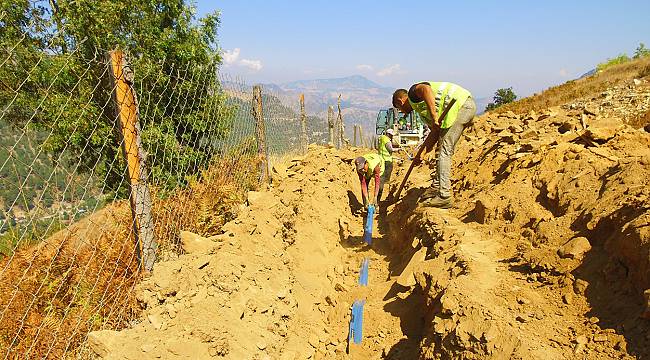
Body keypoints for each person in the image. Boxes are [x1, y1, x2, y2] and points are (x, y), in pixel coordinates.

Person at [392, 82, 476, 208]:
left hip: (461, 105)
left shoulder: (413, 94)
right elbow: (434, 134)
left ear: (400, 101)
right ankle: (437, 186)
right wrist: (422, 153)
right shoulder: (421, 110)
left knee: (444, 151)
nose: (403, 113)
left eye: (400, 109)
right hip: (460, 108)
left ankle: (444, 196)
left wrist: (434, 116)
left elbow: (426, 89)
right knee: (441, 149)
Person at [377, 129, 397, 201]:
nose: (392, 137)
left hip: (381, 159)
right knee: (385, 179)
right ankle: (384, 188)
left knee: (381, 176)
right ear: (388, 134)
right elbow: (390, 149)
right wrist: (398, 149)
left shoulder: (381, 138)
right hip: (387, 160)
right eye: (391, 135)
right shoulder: (387, 140)